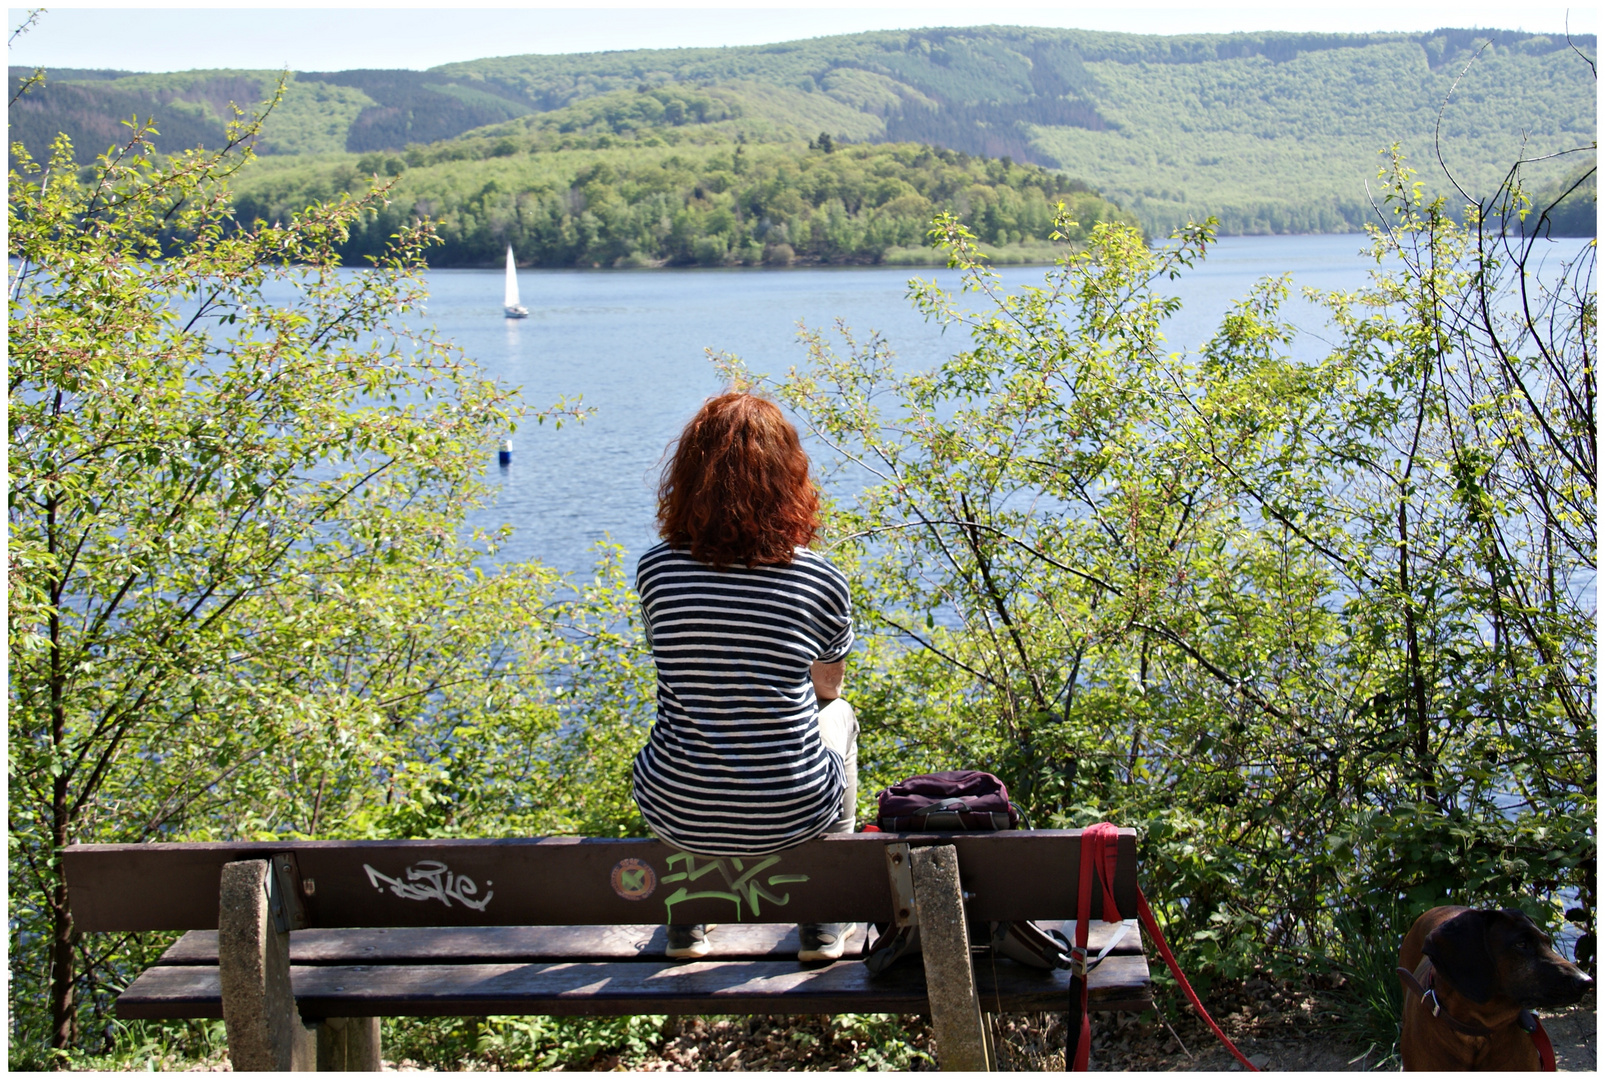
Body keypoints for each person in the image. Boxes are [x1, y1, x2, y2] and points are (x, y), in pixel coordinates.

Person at [631, 391, 859, 962]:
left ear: (687, 477)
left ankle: (688, 923)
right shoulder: (818, 579)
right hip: (793, 807)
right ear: (789, 477)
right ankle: (825, 918)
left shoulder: (657, 569)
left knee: (693, 725)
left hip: (678, 805)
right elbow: (826, 689)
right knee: (841, 715)